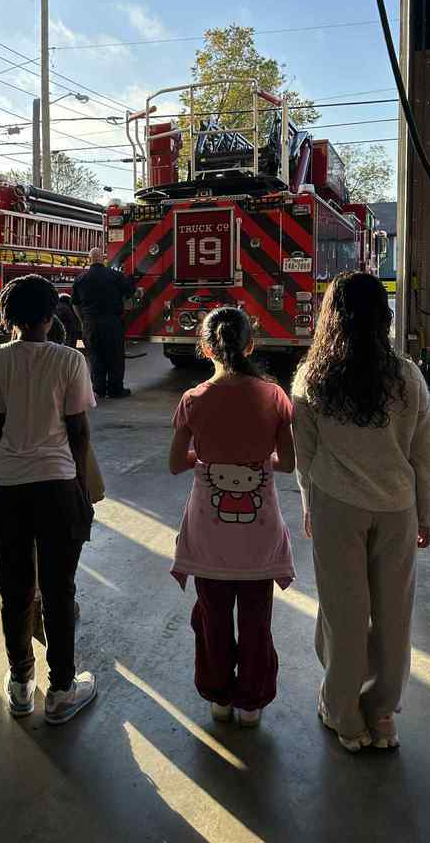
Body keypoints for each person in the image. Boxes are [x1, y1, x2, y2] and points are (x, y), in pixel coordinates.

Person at [291, 272, 430, 753]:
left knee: (345, 612)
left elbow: (305, 455)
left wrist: (310, 505)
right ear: (383, 317)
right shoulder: (407, 377)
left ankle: (344, 715)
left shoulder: (313, 379)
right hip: (397, 507)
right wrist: (425, 513)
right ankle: (382, 715)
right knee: (394, 613)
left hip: (337, 505)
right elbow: (424, 455)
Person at [0, 274, 97, 725]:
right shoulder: (68, 360)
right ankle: (62, 689)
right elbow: (78, 431)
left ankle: (21, 682)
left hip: (10, 486)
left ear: (6, 317)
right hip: (58, 483)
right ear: (50, 317)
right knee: (59, 590)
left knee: (15, 586)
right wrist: (81, 488)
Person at [168, 307, 296, 728]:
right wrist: (253, 460)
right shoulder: (274, 397)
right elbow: (287, 463)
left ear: (205, 348)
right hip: (260, 536)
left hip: (209, 533)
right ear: (250, 345)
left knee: (212, 616)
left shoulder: (193, 400)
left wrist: (207, 458)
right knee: (257, 619)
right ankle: (251, 704)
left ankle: (218, 697)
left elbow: (175, 463)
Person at [71, 247, 134, 399]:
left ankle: (98, 390)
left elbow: (75, 304)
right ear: (103, 259)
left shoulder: (80, 279)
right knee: (115, 356)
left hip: (90, 323)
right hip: (111, 322)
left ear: (89, 259)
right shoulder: (115, 276)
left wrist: (83, 320)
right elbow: (130, 291)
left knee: (95, 356)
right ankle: (115, 389)